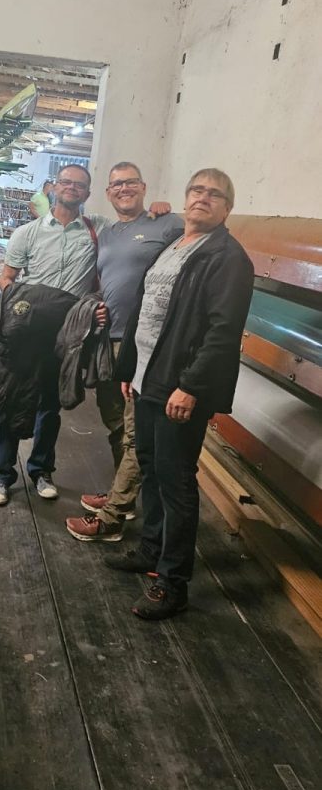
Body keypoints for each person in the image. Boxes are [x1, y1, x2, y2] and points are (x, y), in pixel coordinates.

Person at [106, 169, 254, 621]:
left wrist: (190, 386)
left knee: (176, 482)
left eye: (215, 194)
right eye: (197, 190)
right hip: (149, 378)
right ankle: (151, 550)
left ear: (227, 208)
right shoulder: (174, 245)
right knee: (151, 468)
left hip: (179, 384)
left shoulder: (227, 257)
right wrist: (131, 370)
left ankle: (173, 582)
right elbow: (146, 310)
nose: (203, 198)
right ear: (186, 198)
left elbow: (223, 333)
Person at [66, 162, 183, 544]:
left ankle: (113, 518)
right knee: (114, 421)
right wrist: (97, 304)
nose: (123, 188)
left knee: (134, 430)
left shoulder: (167, 225)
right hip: (109, 341)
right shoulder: (107, 232)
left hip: (145, 343)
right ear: (107, 193)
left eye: (131, 182)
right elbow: (105, 280)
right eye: (116, 184)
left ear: (144, 187)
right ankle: (124, 494)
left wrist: (167, 208)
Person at [0, 165, 108, 507]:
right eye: (66, 182)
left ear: (87, 193)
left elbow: (134, 228)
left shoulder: (99, 229)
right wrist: (21, 307)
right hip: (27, 330)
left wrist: (157, 210)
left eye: (79, 185)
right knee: (13, 398)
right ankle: (1, 473)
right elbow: (7, 278)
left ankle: (41, 470)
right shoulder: (28, 232)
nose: (72, 188)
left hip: (66, 333)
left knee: (51, 404)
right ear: (54, 187)